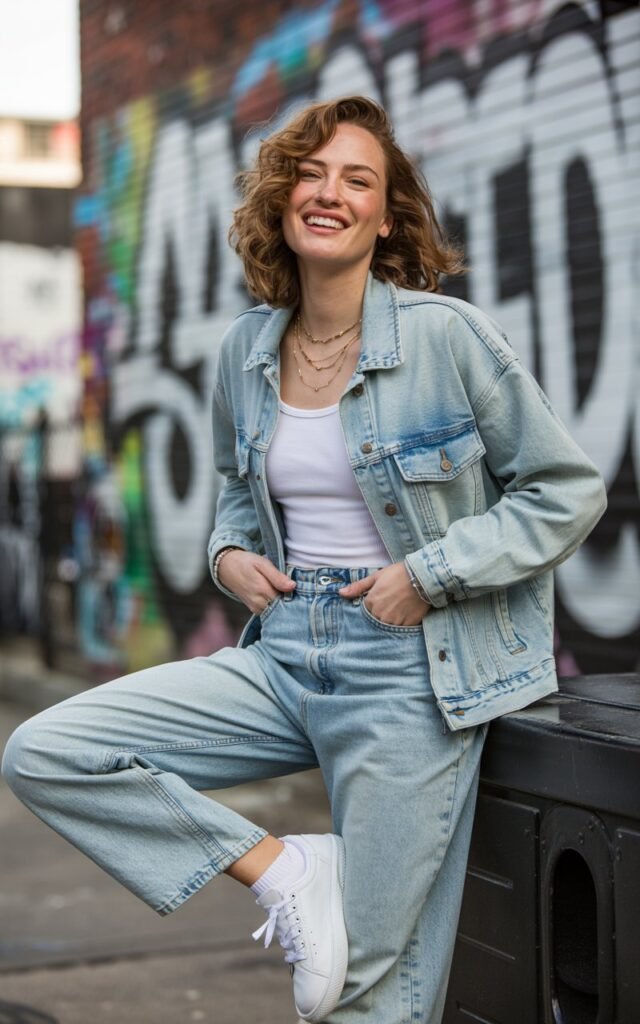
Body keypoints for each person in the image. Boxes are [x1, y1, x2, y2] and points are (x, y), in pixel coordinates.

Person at [2, 96, 606, 1024]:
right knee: (50, 751)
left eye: (357, 180)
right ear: (282, 200)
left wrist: (431, 574)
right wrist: (227, 554)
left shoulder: (446, 338)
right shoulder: (249, 349)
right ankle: (287, 870)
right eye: (310, 175)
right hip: (283, 650)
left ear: (387, 215)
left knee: (363, 990)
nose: (329, 194)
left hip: (412, 666)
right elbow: (237, 499)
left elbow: (566, 489)